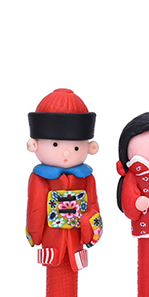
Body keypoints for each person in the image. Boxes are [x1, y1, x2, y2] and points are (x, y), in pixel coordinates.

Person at [26, 88, 102, 271]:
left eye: (76, 148)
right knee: (55, 265)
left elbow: (93, 205)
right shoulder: (40, 177)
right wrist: (35, 233)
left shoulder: (87, 176)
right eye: (55, 145)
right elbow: (36, 208)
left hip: (78, 238)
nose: (66, 153)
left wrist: (90, 226)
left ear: (90, 147)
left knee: (72, 266)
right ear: (34, 145)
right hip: (51, 237)